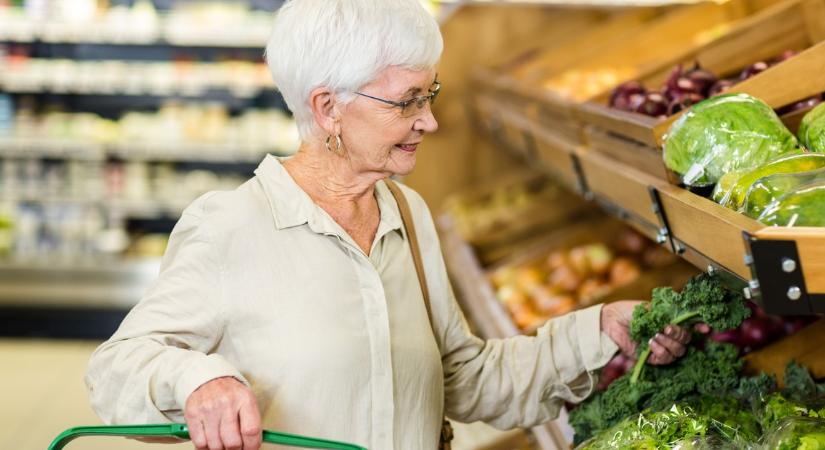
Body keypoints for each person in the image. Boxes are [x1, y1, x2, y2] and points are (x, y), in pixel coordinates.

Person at [85, 1, 691, 449]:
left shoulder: (406, 213)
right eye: (407, 100)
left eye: (430, 94)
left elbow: (465, 379)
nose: (428, 120)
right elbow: (116, 369)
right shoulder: (231, 227)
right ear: (328, 109)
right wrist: (199, 379)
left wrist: (600, 330)